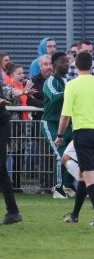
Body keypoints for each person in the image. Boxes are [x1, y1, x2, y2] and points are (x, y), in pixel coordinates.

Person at [56, 51, 94, 226]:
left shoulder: (71, 85)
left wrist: (59, 135)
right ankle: (74, 215)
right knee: (83, 175)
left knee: (89, 177)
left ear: (75, 64)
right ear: (92, 65)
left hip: (82, 134)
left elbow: (65, 115)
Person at [41, 52, 75, 199]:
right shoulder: (50, 81)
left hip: (68, 123)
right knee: (60, 153)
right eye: (62, 62)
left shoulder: (69, 81)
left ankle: (67, 186)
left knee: (72, 155)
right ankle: (58, 188)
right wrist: (72, 91)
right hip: (51, 123)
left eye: (67, 62)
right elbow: (54, 97)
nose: (66, 64)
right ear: (54, 64)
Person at [27, 55, 54, 192]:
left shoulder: (58, 80)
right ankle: (45, 186)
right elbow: (30, 100)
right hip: (40, 123)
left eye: (50, 63)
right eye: (45, 64)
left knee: (55, 155)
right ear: (40, 66)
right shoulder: (32, 81)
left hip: (56, 123)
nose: (48, 66)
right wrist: (49, 105)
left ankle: (56, 184)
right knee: (43, 155)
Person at [0, 86, 22, 225]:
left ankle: (13, 212)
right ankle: (13, 212)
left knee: (0, 166)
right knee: (1, 170)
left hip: (1, 124)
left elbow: (7, 93)